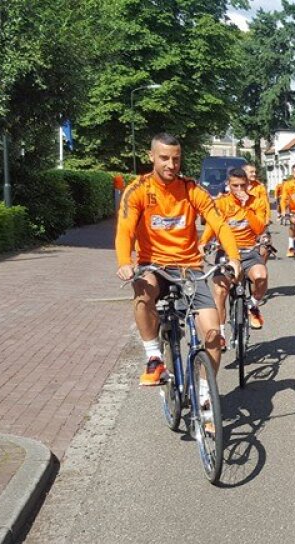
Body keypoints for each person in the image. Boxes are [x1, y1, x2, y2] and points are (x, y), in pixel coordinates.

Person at [115, 133, 241, 391]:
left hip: (188, 268)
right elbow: (125, 229)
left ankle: (205, 394)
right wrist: (125, 261)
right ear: (151, 156)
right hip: (154, 265)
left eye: (176, 159)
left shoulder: (191, 189)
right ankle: (154, 357)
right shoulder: (138, 190)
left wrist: (234, 257)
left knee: (213, 335)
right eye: (164, 158)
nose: (171, 165)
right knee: (142, 291)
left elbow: (219, 223)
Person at [202, 167, 270, 331]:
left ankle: (253, 305)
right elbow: (212, 226)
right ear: (228, 185)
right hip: (225, 253)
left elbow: (259, 229)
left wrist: (246, 208)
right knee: (220, 291)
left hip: (249, 251)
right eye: (235, 186)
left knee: (261, 277)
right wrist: (203, 242)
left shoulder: (257, 202)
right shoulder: (221, 203)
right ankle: (221, 331)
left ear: (248, 184)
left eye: (242, 185)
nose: (239, 189)